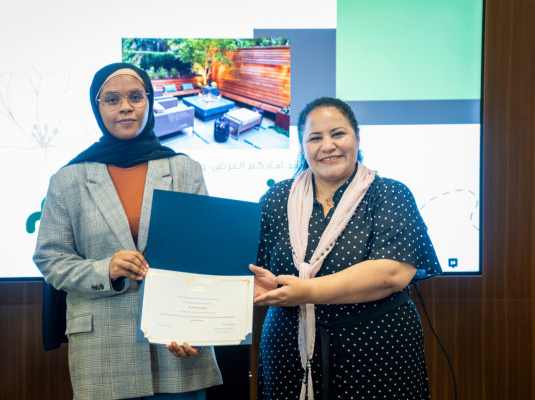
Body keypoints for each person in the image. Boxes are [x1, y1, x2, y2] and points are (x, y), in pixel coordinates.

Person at [33, 62, 222, 400]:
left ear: (149, 101)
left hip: (176, 344)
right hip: (103, 351)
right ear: (97, 107)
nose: (125, 107)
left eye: (135, 96)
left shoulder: (184, 170)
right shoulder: (68, 180)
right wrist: (104, 269)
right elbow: (51, 259)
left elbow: (204, 257)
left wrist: (198, 326)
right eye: (112, 99)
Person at [249, 97, 442, 400]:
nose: (328, 146)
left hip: (378, 354)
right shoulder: (275, 199)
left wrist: (305, 291)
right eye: (315, 138)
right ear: (302, 147)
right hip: (289, 353)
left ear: (357, 138)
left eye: (338, 134)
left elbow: (392, 273)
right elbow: (247, 270)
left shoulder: (390, 193)